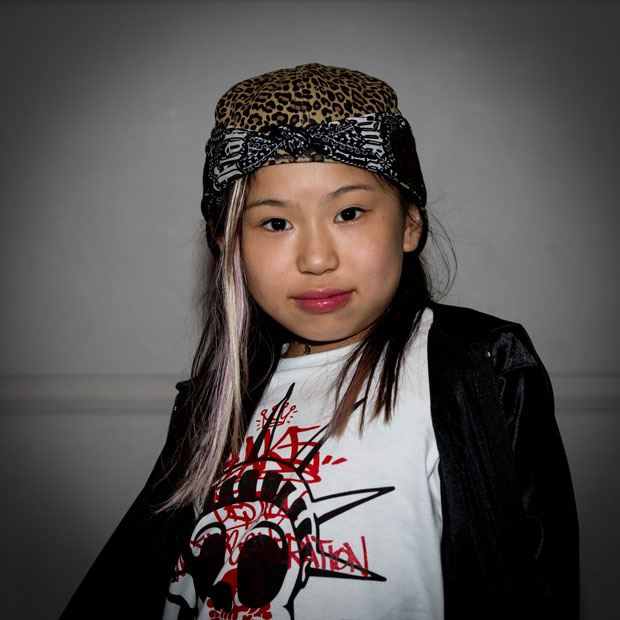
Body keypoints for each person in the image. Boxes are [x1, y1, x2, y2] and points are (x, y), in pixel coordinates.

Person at [60, 63, 578, 620]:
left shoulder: (478, 369)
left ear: (410, 223)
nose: (315, 259)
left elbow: (536, 583)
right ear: (226, 241)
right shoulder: (212, 402)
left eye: (348, 213)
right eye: (275, 223)